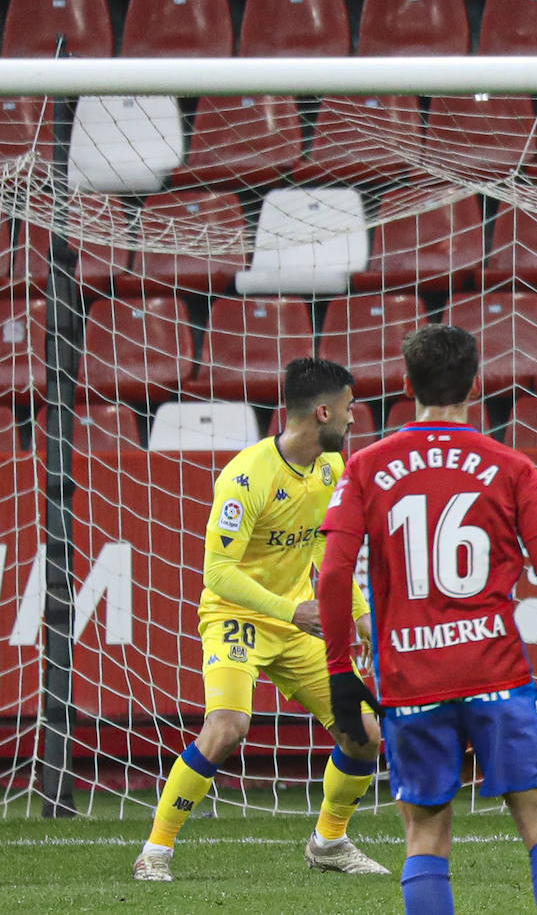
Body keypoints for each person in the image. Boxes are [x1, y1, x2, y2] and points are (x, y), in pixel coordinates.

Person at [318, 324, 537, 915]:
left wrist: (340, 670)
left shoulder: (364, 466)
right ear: (477, 385)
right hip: (497, 673)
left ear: (406, 383)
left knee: (426, 834)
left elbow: (334, 575)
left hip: (412, 678)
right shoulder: (510, 465)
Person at [133, 358, 388, 882]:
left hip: (298, 623)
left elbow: (328, 557)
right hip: (238, 616)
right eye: (347, 408)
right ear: (322, 411)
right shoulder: (246, 477)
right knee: (228, 727)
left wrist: (362, 618)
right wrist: (291, 610)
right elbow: (217, 573)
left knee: (364, 734)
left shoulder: (331, 469)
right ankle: (155, 850)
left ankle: (330, 843)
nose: (353, 419)